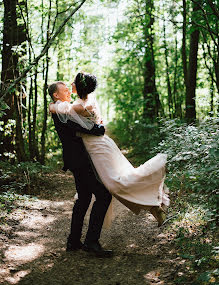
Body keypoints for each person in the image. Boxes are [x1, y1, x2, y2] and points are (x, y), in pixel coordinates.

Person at [49, 72, 170, 228]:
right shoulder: (84, 102)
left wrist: (52, 105)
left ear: (79, 87)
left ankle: (153, 200)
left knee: (115, 183)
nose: (69, 85)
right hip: (94, 148)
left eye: (72, 83)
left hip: (98, 147)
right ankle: (153, 206)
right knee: (112, 184)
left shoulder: (79, 106)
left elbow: (65, 109)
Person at [48, 81, 113, 258]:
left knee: (84, 198)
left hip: (76, 159)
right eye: (64, 89)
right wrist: (100, 128)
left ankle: (73, 241)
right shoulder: (61, 109)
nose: (68, 91)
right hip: (78, 160)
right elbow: (85, 128)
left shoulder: (60, 107)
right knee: (104, 195)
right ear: (56, 95)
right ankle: (91, 242)